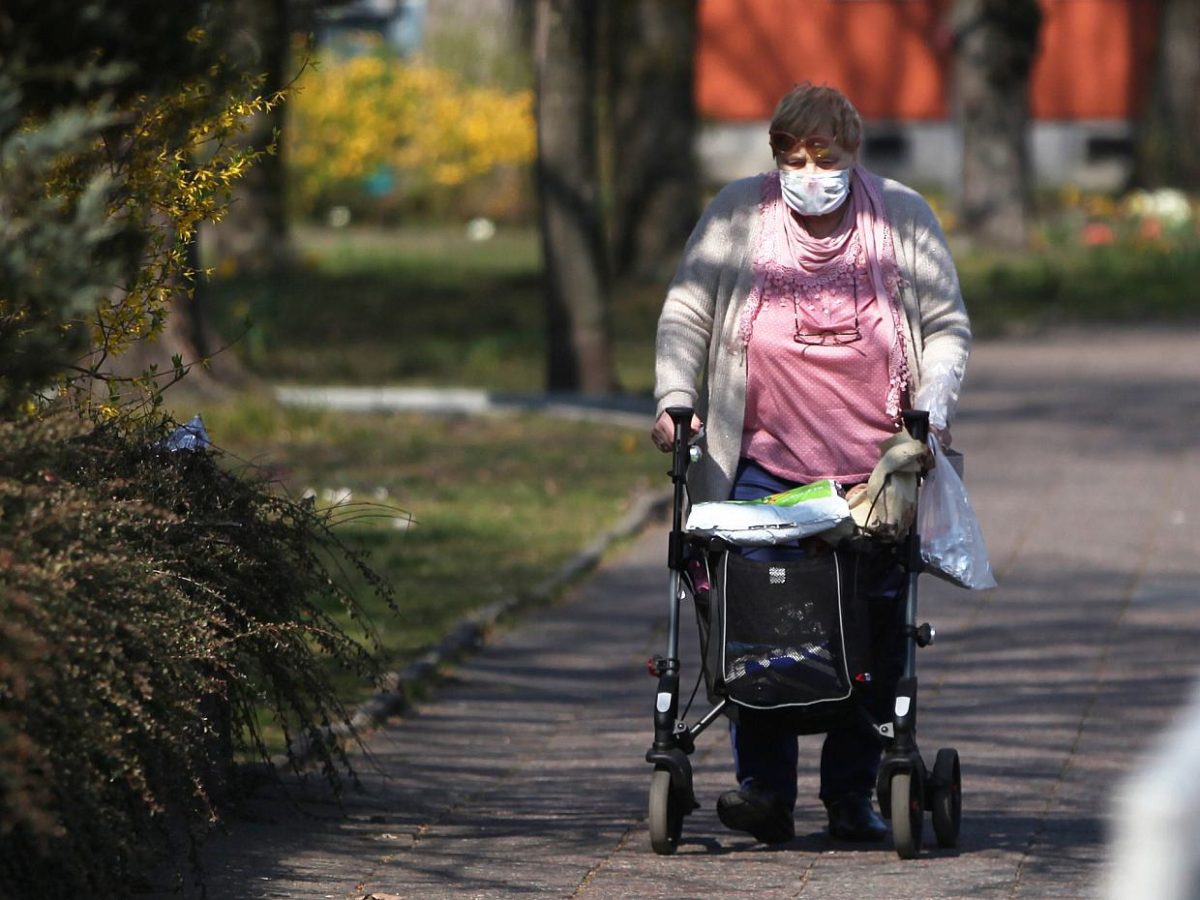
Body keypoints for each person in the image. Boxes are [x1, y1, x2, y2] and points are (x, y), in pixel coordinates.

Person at [651, 83, 971, 845]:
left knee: (874, 627)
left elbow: (946, 325)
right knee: (761, 619)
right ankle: (765, 790)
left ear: (852, 151)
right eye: (792, 155)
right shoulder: (738, 214)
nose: (808, 168)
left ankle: (852, 792)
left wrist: (931, 412)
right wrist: (673, 400)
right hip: (762, 465)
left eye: (823, 154)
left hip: (872, 470)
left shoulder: (901, 216)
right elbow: (687, 312)